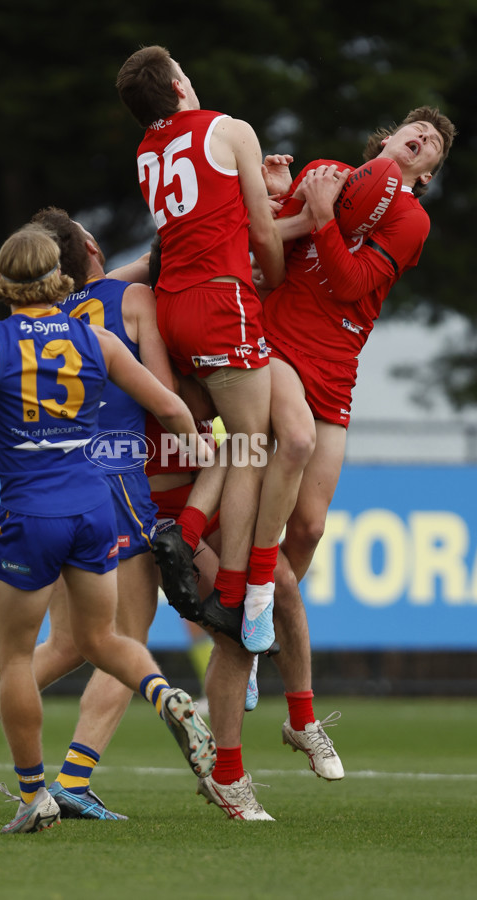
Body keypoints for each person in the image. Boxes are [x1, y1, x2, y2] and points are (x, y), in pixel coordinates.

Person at [0, 223, 216, 834]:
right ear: (57, 276)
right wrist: (208, 465)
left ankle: (37, 795)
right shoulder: (97, 339)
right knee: (101, 639)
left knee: (16, 657)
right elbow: (171, 407)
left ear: (2, 280)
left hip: (30, 517)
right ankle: (164, 693)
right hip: (96, 510)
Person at [255, 106, 456, 765]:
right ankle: (253, 622)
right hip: (280, 343)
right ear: (389, 139)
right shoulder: (327, 173)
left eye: (434, 147)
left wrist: (317, 221)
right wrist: (282, 191)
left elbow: (349, 282)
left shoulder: (412, 221)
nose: (424, 139)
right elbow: (269, 237)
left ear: (427, 173)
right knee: (292, 449)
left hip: (337, 367)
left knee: (308, 530)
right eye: (417, 130)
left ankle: (258, 625)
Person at [117, 45, 286, 654]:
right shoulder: (229, 127)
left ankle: (189, 537)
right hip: (222, 301)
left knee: (221, 433)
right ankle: (227, 582)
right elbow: (261, 230)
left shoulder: (145, 151)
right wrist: (275, 280)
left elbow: (202, 214)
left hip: (172, 305)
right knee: (254, 443)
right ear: (177, 83)